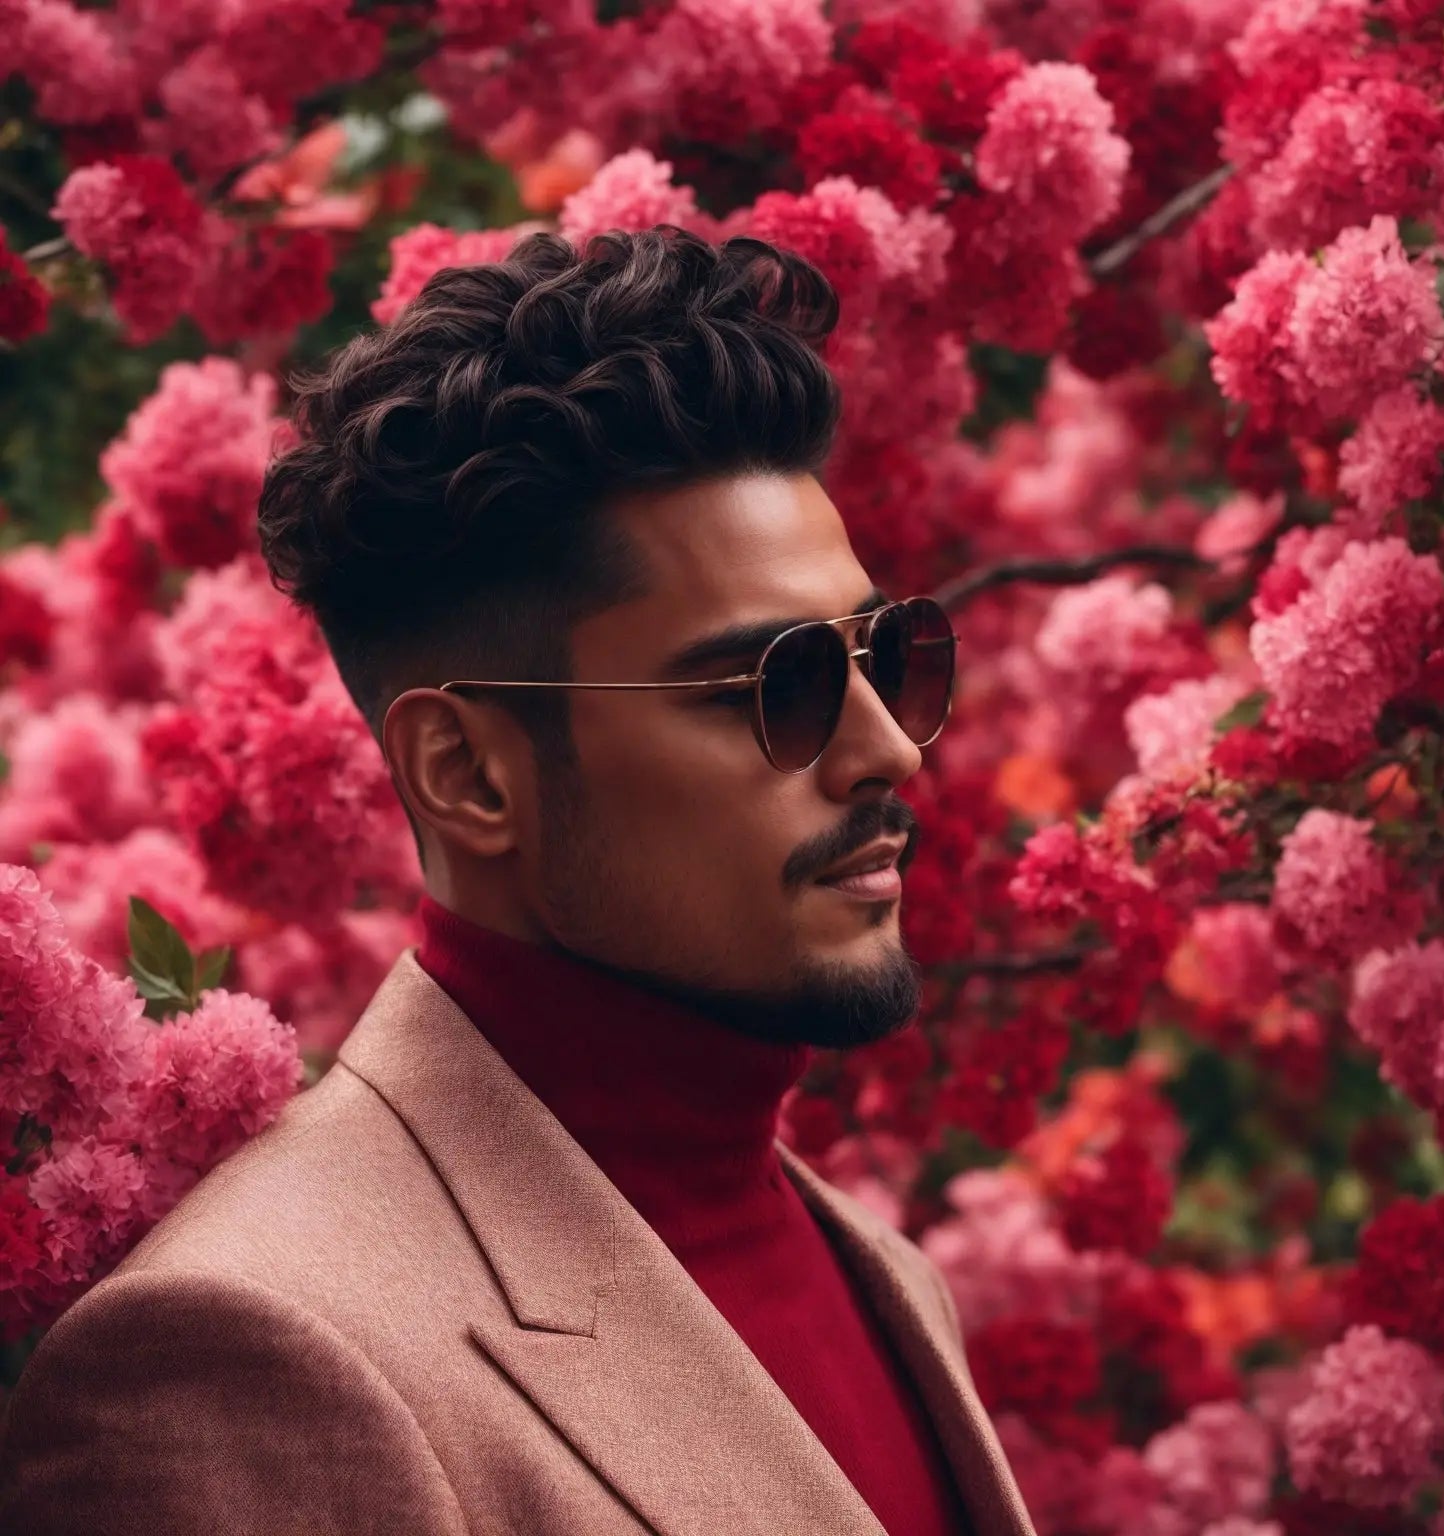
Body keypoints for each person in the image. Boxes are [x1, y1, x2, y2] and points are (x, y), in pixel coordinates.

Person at [0, 225, 1036, 1536]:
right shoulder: (254, 1357)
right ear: (469, 774)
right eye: (775, 687)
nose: (886, 745)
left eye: (887, 654)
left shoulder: (879, 1276)